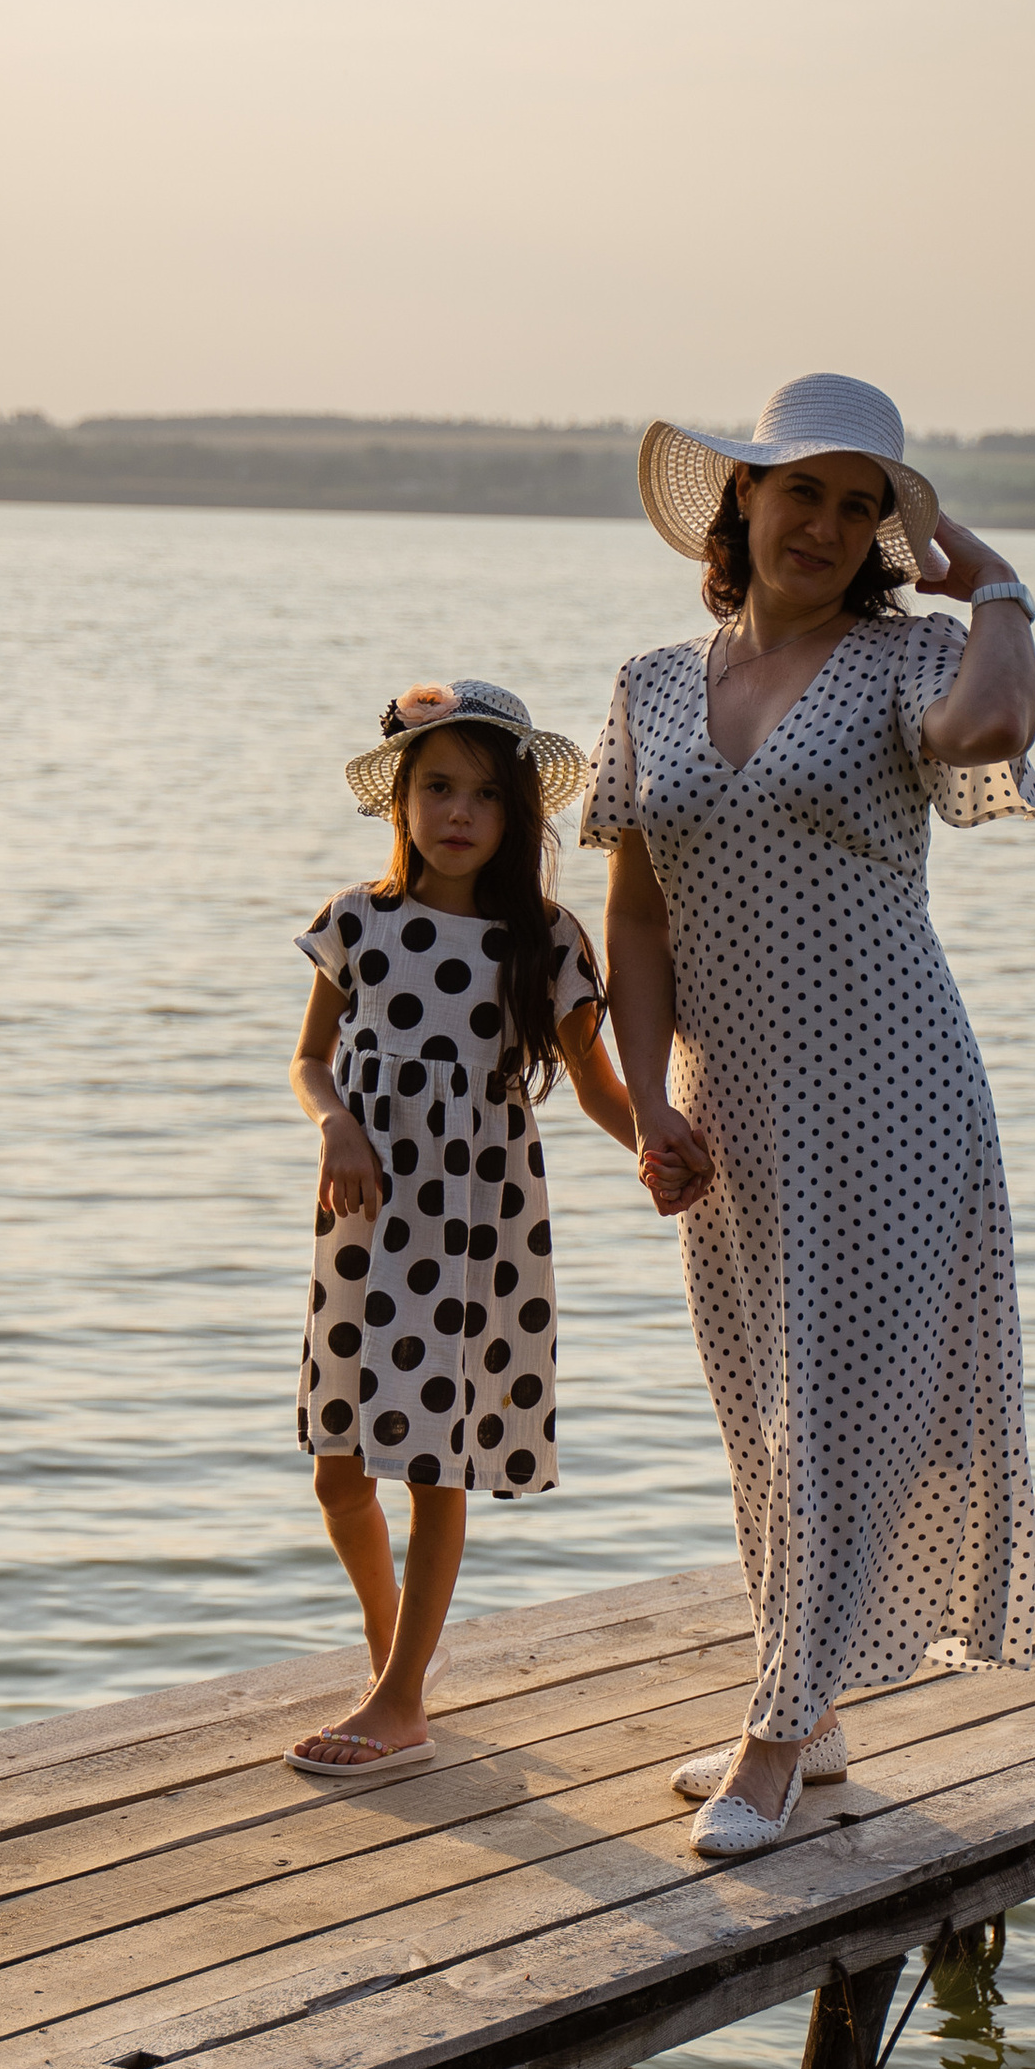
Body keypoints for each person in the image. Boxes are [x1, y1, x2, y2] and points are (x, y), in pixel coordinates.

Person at [583, 373, 1035, 1860]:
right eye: (807, 495)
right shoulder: (654, 682)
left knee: (838, 1409)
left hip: (893, 1089)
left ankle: (780, 1737)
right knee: (762, 1413)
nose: (831, 527)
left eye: (865, 507)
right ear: (744, 504)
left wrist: (999, 587)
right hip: (734, 1107)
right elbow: (636, 916)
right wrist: (647, 1096)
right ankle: (816, 1702)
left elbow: (992, 729)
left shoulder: (911, 660)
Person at [286, 677, 638, 1778]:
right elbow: (305, 1061)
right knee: (339, 1472)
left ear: (518, 818)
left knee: (434, 1461)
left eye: (485, 797)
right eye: (436, 787)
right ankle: (398, 1655)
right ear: (400, 799)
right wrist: (336, 1120)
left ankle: (400, 1701)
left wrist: (664, 1150)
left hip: (476, 1224)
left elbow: (593, 1088)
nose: (458, 814)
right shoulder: (358, 921)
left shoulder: (546, 942)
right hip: (363, 1216)